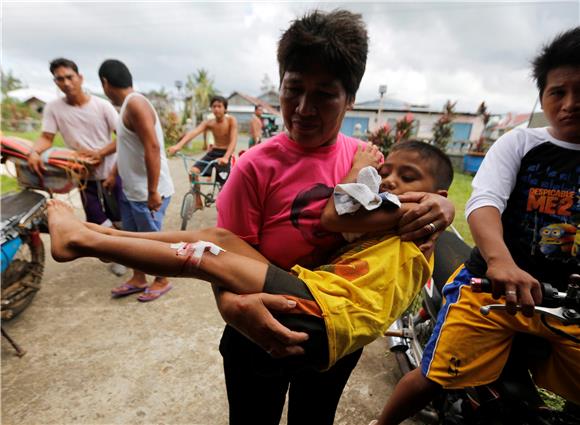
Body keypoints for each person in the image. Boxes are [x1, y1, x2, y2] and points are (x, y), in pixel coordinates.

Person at [213, 9, 455, 425]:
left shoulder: (370, 163)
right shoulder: (254, 167)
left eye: (324, 94)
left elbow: (408, 208)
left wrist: (444, 208)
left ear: (350, 98)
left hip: (333, 331)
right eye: (293, 89)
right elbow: (223, 253)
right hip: (257, 325)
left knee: (315, 417)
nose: (304, 108)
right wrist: (234, 308)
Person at [46, 141, 453, 371]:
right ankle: (100, 231)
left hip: (327, 314)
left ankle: (82, 243)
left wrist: (363, 166)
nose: (390, 180)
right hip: (316, 298)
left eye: (408, 176)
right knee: (217, 236)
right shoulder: (397, 213)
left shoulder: (415, 212)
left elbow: (336, 212)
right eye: (388, 171)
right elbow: (345, 217)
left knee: (205, 255)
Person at [377, 26, 580, 425]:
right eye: (559, 91)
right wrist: (500, 262)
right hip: (493, 288)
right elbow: (485, 201)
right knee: (433, 377)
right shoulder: (520, 144)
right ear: (543, 96)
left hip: (568, 303)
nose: (571, 104)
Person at [27, 57, 125, 276]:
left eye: (70, 77)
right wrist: (34, 152)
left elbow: (123, 138)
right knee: (95, 218)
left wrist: (100, 153)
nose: (66, 83)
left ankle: (125, 253)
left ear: (80, 77)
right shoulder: (54, 108)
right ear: (55, 82)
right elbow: (46, 137)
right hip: (82, 175)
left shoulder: (102, 106)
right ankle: (116, 252)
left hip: (110, 170)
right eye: (60, 79)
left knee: (118, 215)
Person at [98, 59, 175, 302]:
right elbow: (127, 147)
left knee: (151, 242)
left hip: (148, 193)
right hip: (132, 191)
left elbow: (151, 146)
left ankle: (162, 279)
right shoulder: (126, 109)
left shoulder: (136, 104)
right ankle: (138, 278)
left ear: (105, 82)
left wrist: (153, 191)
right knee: (131, 240)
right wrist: (113, 174)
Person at [167, 96, 237, 210]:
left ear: (225, 108)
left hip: (225, 154)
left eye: (219, 106)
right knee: (193, 172)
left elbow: (233, 141)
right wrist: (178, 146)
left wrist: (226, 157)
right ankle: (198, 201)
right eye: (214, 106)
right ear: (211, 108)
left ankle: (224, 207)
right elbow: (193, 133)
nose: (216, 109)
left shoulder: (231, 121)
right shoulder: (209, 123)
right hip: (213, 152)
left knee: (223, 186)